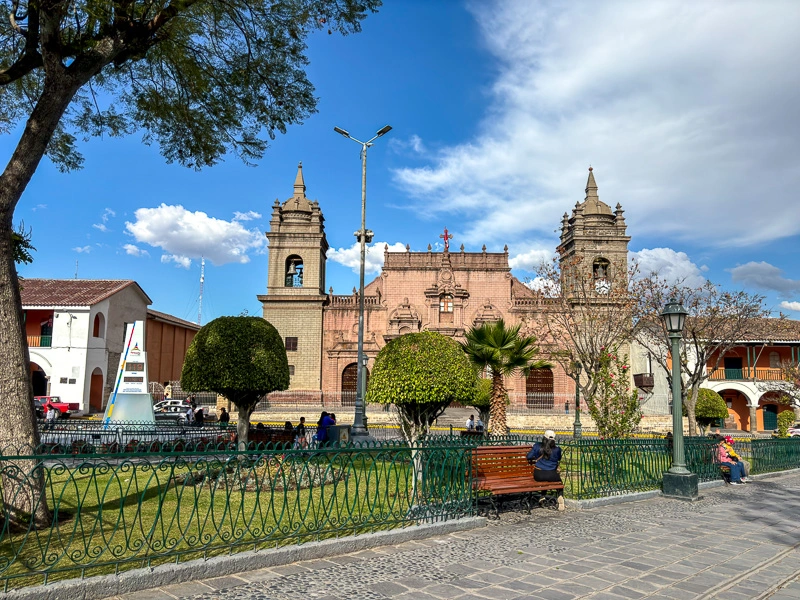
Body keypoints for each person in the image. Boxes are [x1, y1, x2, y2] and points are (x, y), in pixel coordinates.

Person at [526, 430, 564, 510]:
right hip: (552, 475)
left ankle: (542, 496)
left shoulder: (537, 446)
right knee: (559, 482)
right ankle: (560, 496)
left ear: (544, 438)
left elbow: (529, 456)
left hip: (538, 474)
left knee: (543, 481)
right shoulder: (557, 449)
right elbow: (559, 458)